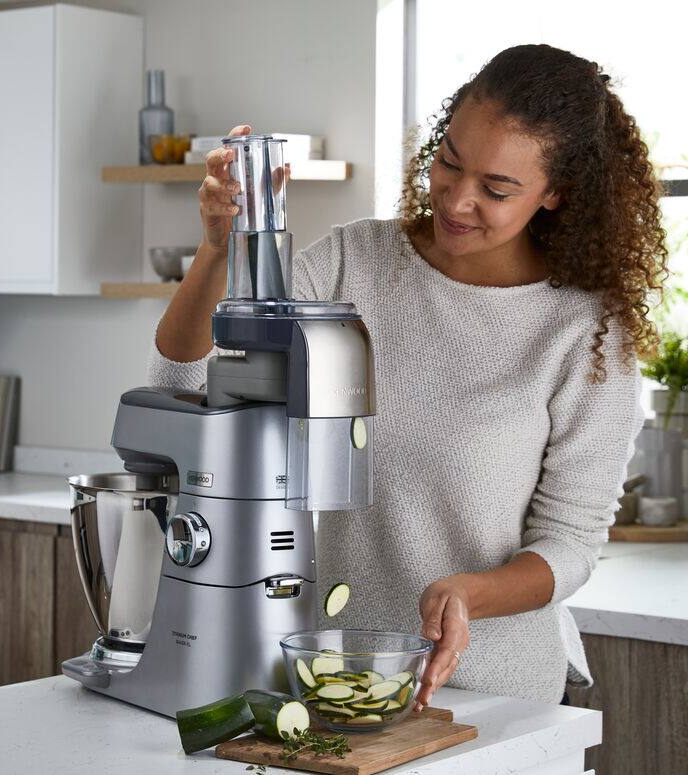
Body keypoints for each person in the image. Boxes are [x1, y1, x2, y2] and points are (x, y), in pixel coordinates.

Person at [146, 44, 669, 707]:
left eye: (497, 188)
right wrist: (221, 246)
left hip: (494, 694)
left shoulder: (586, 331)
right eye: (449, 161)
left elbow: (569, 543)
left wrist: (470, 592)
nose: (457, 198)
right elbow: (185, 384)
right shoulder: (353, 262)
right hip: (332, 681)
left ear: (558, 193)